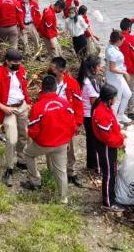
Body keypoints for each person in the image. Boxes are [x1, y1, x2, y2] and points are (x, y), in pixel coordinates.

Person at [21, 75, 77, 203]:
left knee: (27, 153)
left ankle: (35, 181)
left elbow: (34, 131)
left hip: (44, 144)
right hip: (62, 143)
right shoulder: (66, 104)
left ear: (42, 88)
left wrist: (28, 132)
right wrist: (67, 140)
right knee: (61, 170)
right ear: (55, 87)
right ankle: (63, 199)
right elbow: (73, 126)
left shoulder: (38, 106)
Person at [0, 49, 32, 186]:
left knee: (24, 135)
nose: (18, 64)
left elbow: (24, 87)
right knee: (11, 139)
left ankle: (21, 159)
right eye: (14, 62)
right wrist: (3, 108)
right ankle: (9, 168)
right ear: (7, 61)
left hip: (21, 106)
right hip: (8, 108)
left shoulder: (21, 70)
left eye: (19, 62)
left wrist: (27, 102)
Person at [48, 57, 86, 188]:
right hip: (52, 120)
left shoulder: (72, 84)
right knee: (51, 146)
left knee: (69, 148)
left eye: (53, 68)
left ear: (62, 70)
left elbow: (78, 104)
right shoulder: (48, 82)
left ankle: (72, 172)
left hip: (66, 121)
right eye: (51, 67)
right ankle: (52, 171)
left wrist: (78, 122)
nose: (51, 70)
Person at [92, 84, 125, 211]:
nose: (116, 99)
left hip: (109, 144)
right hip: (105, 146)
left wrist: (120, 133)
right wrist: (120, 141)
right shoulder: (101, 113)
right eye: (115, 97)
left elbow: (113, 125)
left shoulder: (106, 107)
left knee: (112, 170)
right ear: (110, 98)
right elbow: (108, 137)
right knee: (109, 173)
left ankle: (111, 194)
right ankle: (108, 201)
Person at [78, 55, 103, 172]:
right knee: (94, 140)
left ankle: (91, 164)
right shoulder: (90, 82)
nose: (100, 68)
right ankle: (95, 165)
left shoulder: (86, 79)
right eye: (98, 66)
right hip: (91, 115)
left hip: (86, 114)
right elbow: (94, 102)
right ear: (93, 67)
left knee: (90, 139)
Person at [105, 30, 133, 124]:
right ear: (118, 40)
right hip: (115, 78)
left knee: (128, 94)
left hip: (117, 76)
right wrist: (125, 72)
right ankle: (114, 120)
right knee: (116, 99)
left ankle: (120, 114)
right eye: (122, 39)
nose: (123, 41)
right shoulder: (114, 52)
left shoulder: (111, 46)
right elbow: (112, 68)